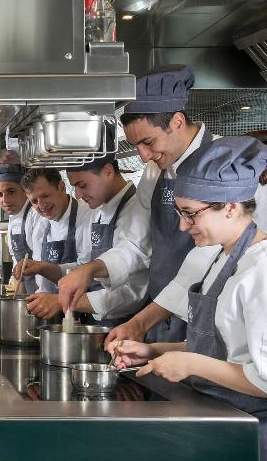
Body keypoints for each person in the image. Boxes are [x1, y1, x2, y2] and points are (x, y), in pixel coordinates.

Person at [111, 136, 267, 461]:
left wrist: (191, 365)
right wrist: (154, 350)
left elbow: (264, 377)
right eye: (181, 213)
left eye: (190, 214)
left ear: (229, 207)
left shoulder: (261, 272)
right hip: (217, 426)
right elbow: (222, 346)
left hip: (250, 438)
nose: (183, 226)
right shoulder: (221, 257)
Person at [58, 65, 220, 343]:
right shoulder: (156, 171)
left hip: (208, 321)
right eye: (137, 146)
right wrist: (90, 269)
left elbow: (206, 262)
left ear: (177, 121)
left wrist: (141, 322)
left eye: (148, 142)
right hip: (161, 319)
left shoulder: (224, 166)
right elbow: (137, 243)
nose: (144, 156)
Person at [26, 150, 148, 325]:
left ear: (108, 171)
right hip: (101, 323)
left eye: (82, 185)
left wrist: (62, 301)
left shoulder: (136, 211)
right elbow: (84, 267)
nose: (77, 195)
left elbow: (133, 292)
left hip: (126, 326)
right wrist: (43, 267)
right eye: (74, 186)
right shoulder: (101, 211)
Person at [14, 169, 93, 318]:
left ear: (61, 188)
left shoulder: (87, 216)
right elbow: (43, 287)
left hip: (86, 313)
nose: (41, 205)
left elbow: (88, 271)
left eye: (45, 196)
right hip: (55, 316)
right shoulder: (41, 227)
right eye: (34, 201)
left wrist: (42, 267)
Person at [0, 163, 43, 295]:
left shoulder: (35, 215)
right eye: (0, 194)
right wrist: (19, 302)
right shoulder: (13, 218)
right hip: (30, 296)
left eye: (11, 192)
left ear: (25, 190)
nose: (5, 200)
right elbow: (17, 265)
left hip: (44, 294)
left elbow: (42, 265)